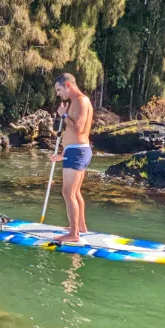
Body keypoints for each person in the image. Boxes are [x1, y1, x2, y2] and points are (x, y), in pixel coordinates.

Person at [49, 72, 93, 244]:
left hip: (77, 151)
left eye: (59, 89)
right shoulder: (77, 101)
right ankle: (80, 227)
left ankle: (74, 235)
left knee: (68, 193)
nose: (58, 94)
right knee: (74, 192)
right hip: (75, 151)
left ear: (68, 85)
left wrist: (64, 115)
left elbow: (79, 130)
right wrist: (63, 155)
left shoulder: (81, 100)